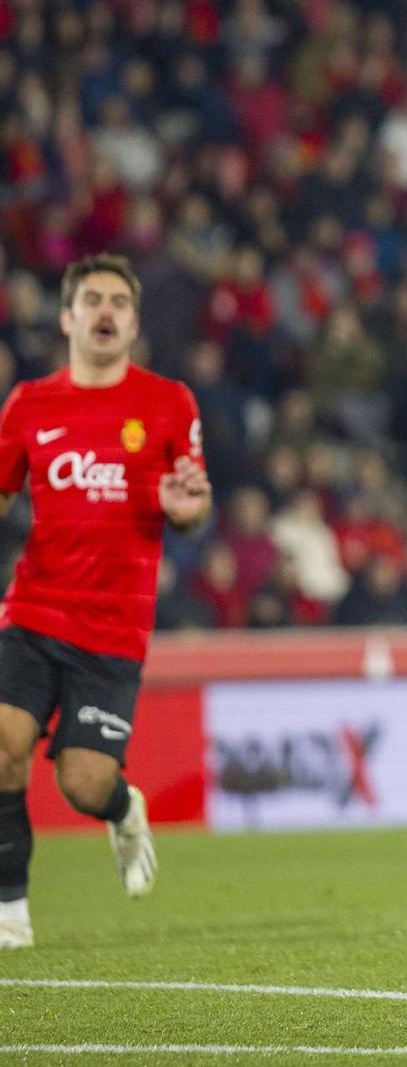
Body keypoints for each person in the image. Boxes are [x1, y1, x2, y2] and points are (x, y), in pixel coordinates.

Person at [0, 255, 212, 948]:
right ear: (66, 317)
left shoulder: (169, 402)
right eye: (91, 298)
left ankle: (123, 810)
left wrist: (187, 507)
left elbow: (192, 502)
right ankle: (10, 908)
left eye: (118, 301)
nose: (105, 310)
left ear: (133, 321)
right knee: (1, 744)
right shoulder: (29, 404)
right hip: (32, 612)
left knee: (82, 785)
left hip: (113, 631)